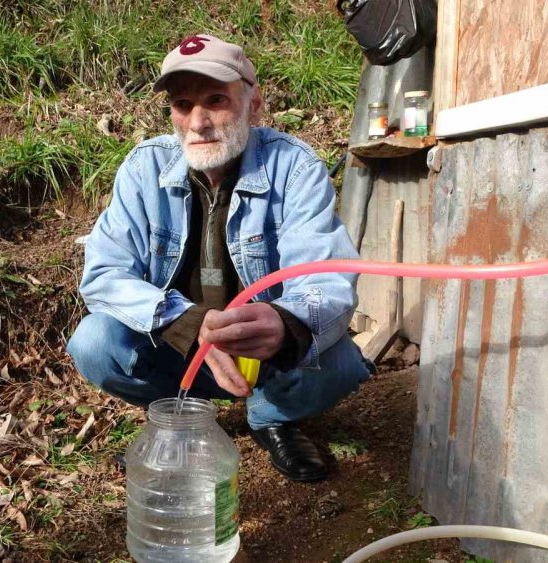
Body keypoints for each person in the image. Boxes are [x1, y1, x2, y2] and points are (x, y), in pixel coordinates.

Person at [67, 34, 371, 482]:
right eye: (182, 104)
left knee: (343, 363)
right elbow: (103, 274)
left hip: (263, 360)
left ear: (254, 106)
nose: (198, 121)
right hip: (180, 352)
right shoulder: (143, 168)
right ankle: (185, 417)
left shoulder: (295, 167)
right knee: (95, 342)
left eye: (215, 100)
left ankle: (270, 416)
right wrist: (187, 325)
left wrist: (286, 324)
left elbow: (326, 281)